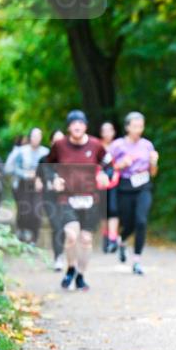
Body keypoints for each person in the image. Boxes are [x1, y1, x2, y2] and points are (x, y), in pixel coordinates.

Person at [38, 111, 110, 291]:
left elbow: (109, 165)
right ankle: (70, 268)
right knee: (71, 235)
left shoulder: (96, 145)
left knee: (86, 240)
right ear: (68, 127)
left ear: (85, 126)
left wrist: (103, 174)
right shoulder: (60, 145)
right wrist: (53, 178)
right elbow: (47, 165)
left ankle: (81, 275)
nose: (77, 127)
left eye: (80, 123)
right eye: (73, 124)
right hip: (67, 198)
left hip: (90, 199)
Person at [109, 112, 158, 275]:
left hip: (143, 186)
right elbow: (106, 167)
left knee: (141, 221)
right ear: (127, 127)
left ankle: (137, 260)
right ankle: (122, 241)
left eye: (141, 126)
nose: (139, 129)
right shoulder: (117, 145)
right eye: (135, 126)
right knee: (129, 223)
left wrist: (154, 163)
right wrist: (120, 164)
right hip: (124, 187)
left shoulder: (147, 145)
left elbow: (153, 173)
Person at [7, 128, 48, 243]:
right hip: (23, 185)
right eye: (34, 136)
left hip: (38, 185)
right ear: (30, 137)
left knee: (36, 211)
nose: (36, 138)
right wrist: (25, 174)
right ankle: (22, 231)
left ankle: (34, 238)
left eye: (39, 136)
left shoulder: (45, 152)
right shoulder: (21, 151)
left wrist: (40, 178)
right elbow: (12, 168)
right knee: (24, 210)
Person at [39, 130, 67, 270]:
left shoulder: (69, 158)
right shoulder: (44, 159)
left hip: (66, 197)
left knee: (64, 227)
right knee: (56, 226)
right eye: (55, 141)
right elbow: (38, 175)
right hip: (49, 197)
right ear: (51, 143)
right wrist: (38, 181)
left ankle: (62, 254)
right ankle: (58, 256)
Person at [99, 121, 122, 253]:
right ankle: (106, 236)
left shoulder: (119, 146)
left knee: (114, 209)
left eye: (110, 130)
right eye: (105, 130)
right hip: (100, 183)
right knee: (103, 211)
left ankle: (113, 238)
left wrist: (115, 173)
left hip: (116, 182)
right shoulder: (98, 146)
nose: (107, 133)